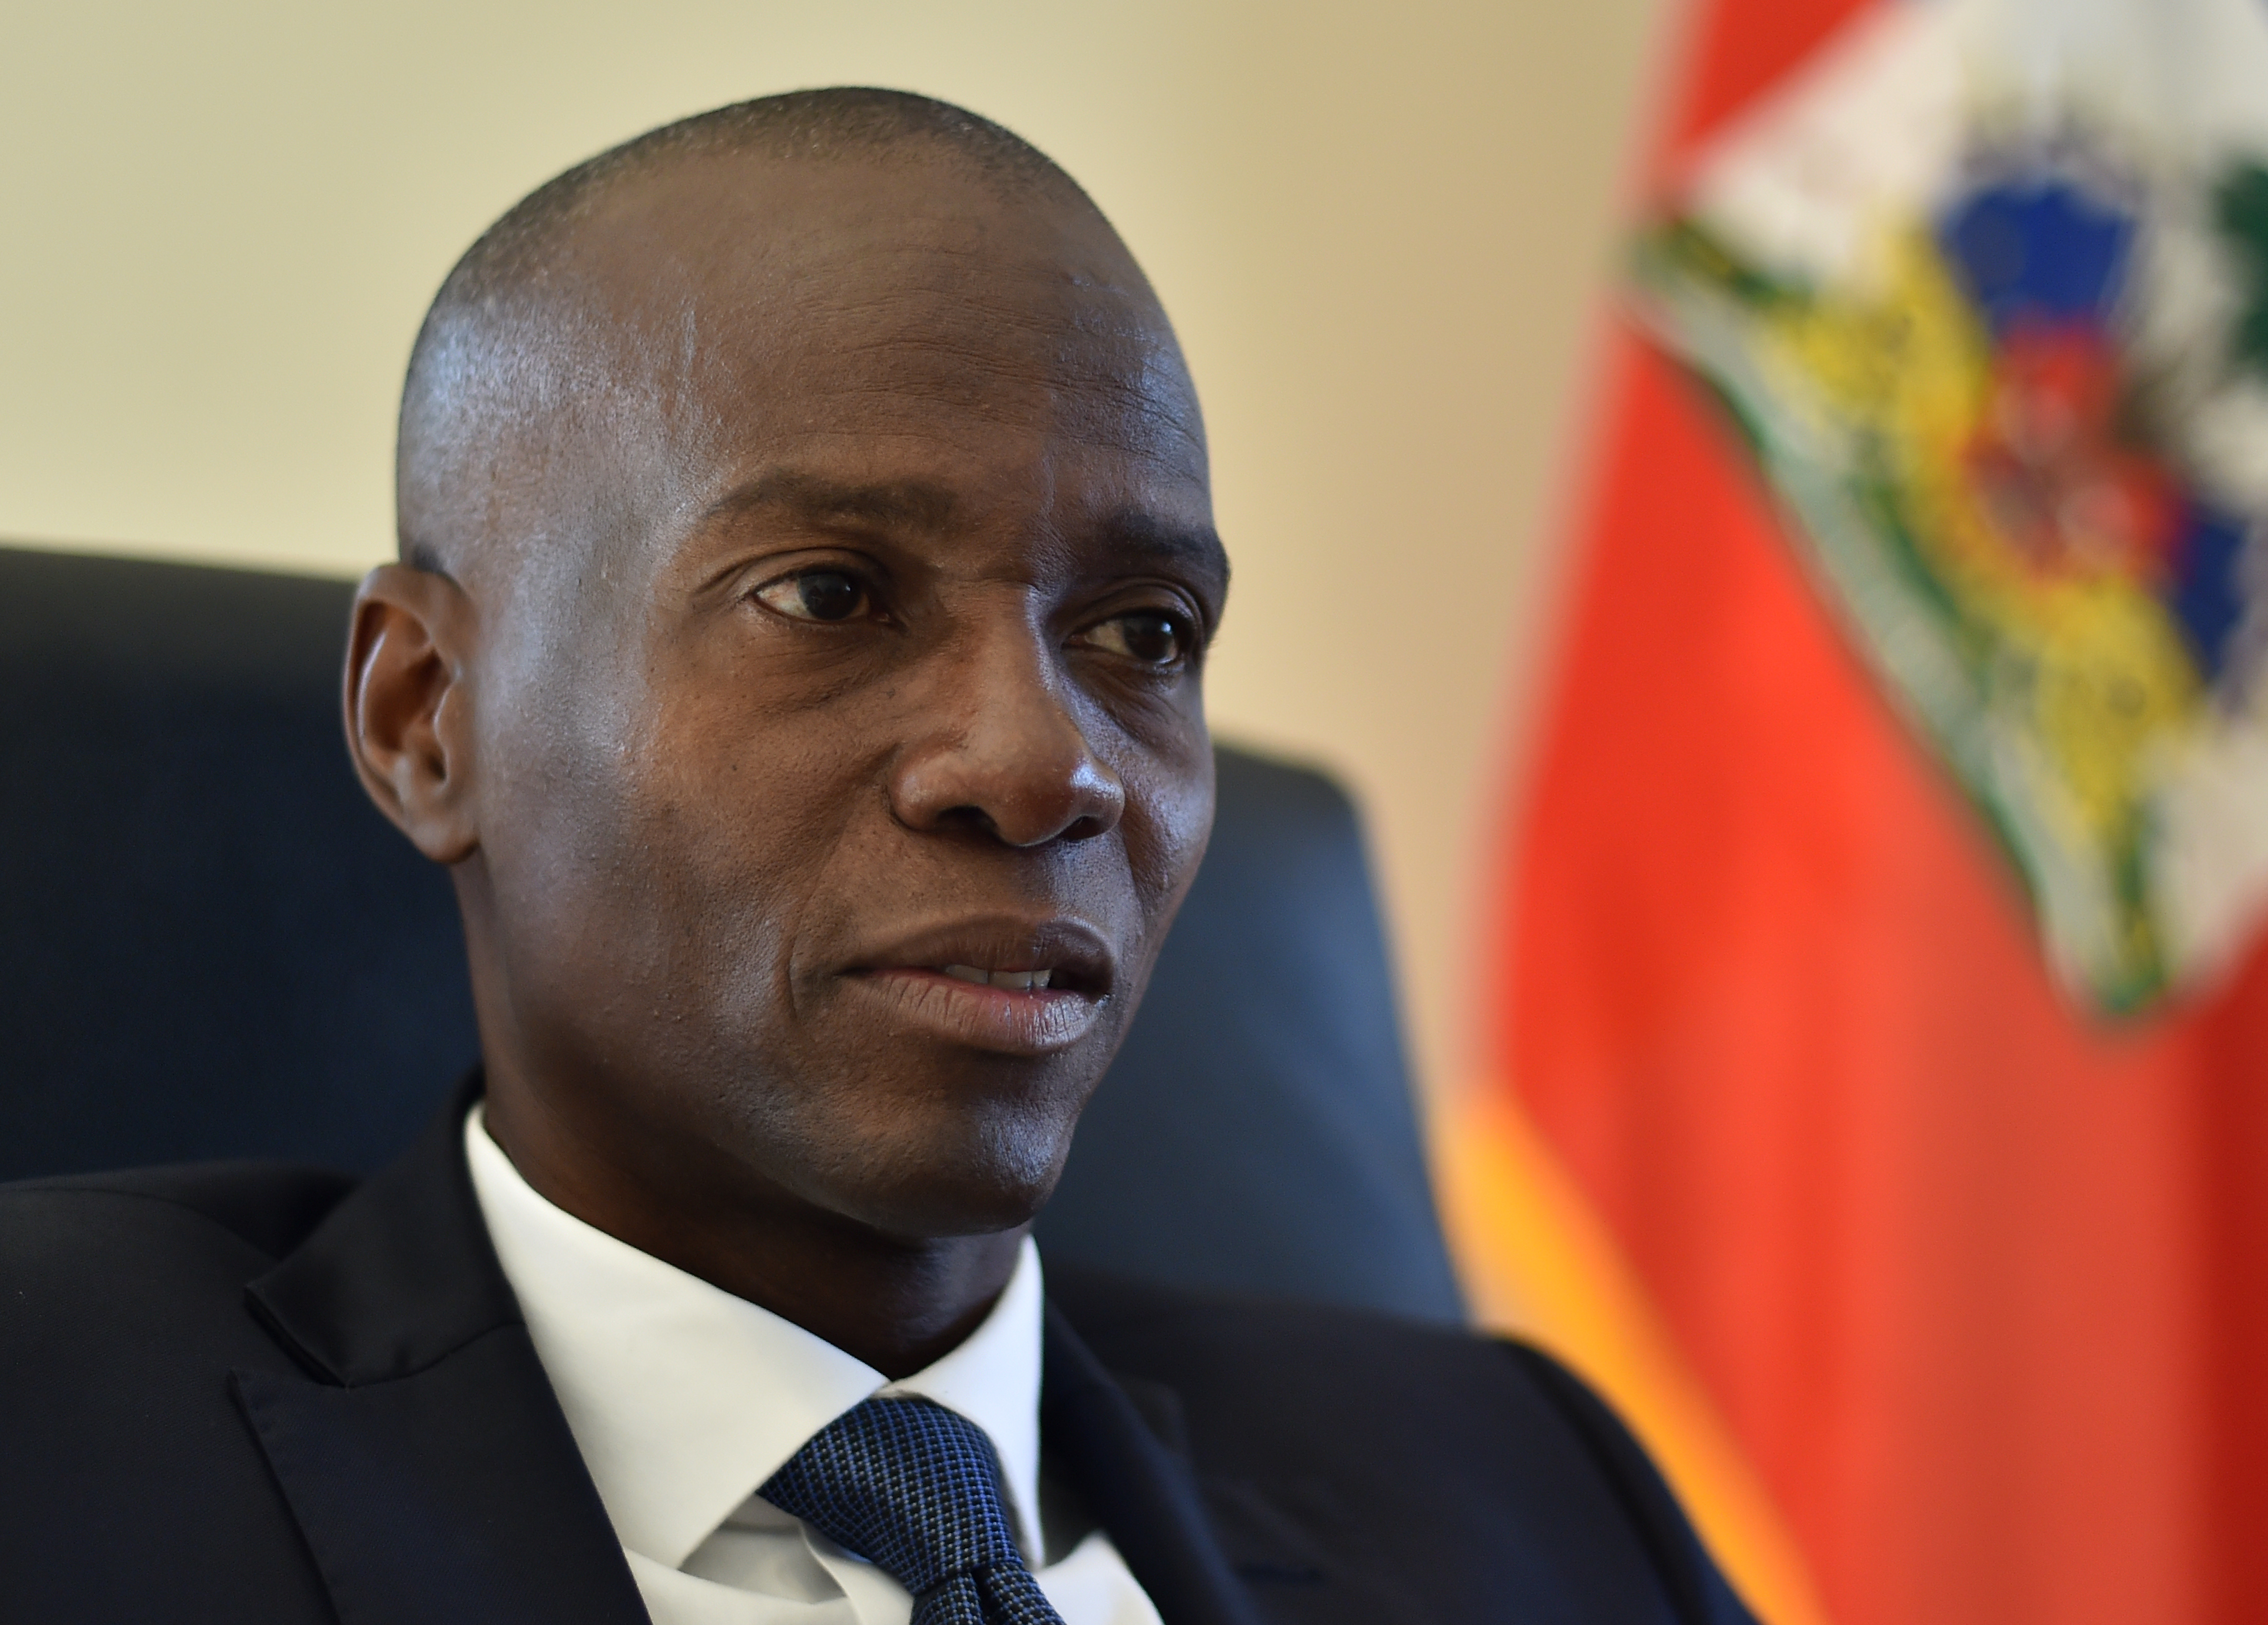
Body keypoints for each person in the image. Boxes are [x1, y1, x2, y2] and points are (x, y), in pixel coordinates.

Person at [0, 90, 1754, 1625]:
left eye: (1146, 633)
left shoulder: (1530, 1496)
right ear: (426, 719)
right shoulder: (58, 1441)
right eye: (828, 598)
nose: (1046, 762)